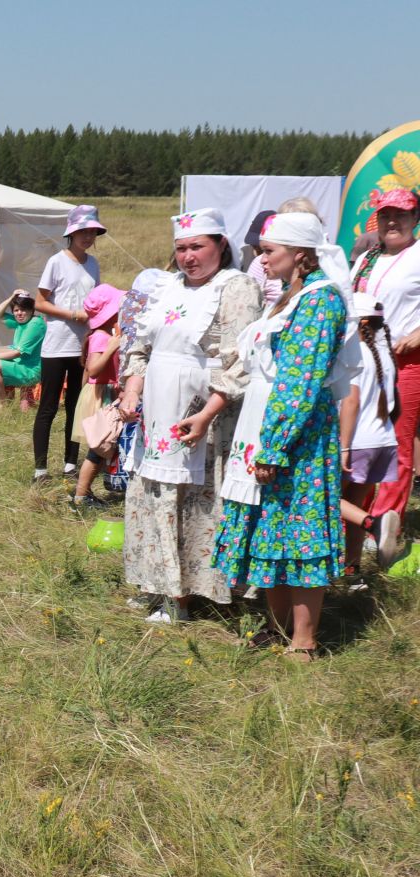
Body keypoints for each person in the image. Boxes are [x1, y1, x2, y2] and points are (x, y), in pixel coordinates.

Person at [213, 211, 352, 659]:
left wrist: (275, 445)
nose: (262, 257)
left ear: (301, 254)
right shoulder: (291, 297)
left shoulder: (320, 300)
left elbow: (301, 381)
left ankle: (305, 641)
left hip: (297, 435)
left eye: (269, 250)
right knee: (270, 531)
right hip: (269, 425)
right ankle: (277, 629)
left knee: (300, 532)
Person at [118, 208, 263, 624]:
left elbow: (240, 361)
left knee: (194, 500)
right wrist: (132, 389)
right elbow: (140, 346)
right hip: (158, 410)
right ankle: (159, 583)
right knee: (154, 494)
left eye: (197, 246)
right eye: (181, 248)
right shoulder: (167, 286)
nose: (188, 257)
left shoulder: (237, 287)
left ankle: (187, 594)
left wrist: (207, 415)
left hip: (206, 412)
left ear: (220, 245)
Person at [350, 186, 420, 562]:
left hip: (407, 361)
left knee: (396, 443)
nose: (393, 222)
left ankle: (385, 524)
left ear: (415, 219)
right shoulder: (366, 257)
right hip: (364, 359)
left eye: (402, 215)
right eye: (387, 215)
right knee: (365, 440)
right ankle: (361, 521)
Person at [33, 206, 106, 476]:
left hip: (83, 345)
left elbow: (96, 302)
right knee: (48, 406)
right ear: (72, 233)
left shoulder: (93, 264)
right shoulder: (56, 261)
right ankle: (40, 468)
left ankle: (71, 464)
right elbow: (40, 302)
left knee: (77, 406)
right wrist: (71, 314)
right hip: (56, 344)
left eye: (92, 232)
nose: (88, 237)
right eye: (83, 231)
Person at [338, 294, 400, 570]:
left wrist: (344, 445)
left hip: (357, 442)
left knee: (324, 498)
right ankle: (353, 570)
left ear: (360, 323)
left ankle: (373, 524)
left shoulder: (354, 355)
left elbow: (350, 402)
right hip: (383, 442)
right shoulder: (384, 354)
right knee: (354, 503)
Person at [69, 284, 126, 508]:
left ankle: (86, 492)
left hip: (101, 393)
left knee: (103, 448)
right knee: (99, 448)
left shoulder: (102, 335)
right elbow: (93, 369)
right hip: (102, 395)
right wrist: (112, 348)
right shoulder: (102, 338)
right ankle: (81, 496)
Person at [0, 290, 45, 404]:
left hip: (30, 371)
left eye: (23, 309)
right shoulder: (21, 321)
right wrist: (11, 297)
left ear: (31, 310)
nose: (19, 313)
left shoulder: (35, 324)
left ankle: (2, 402)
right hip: (19, 365)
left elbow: (17, 353)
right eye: (16, 310)